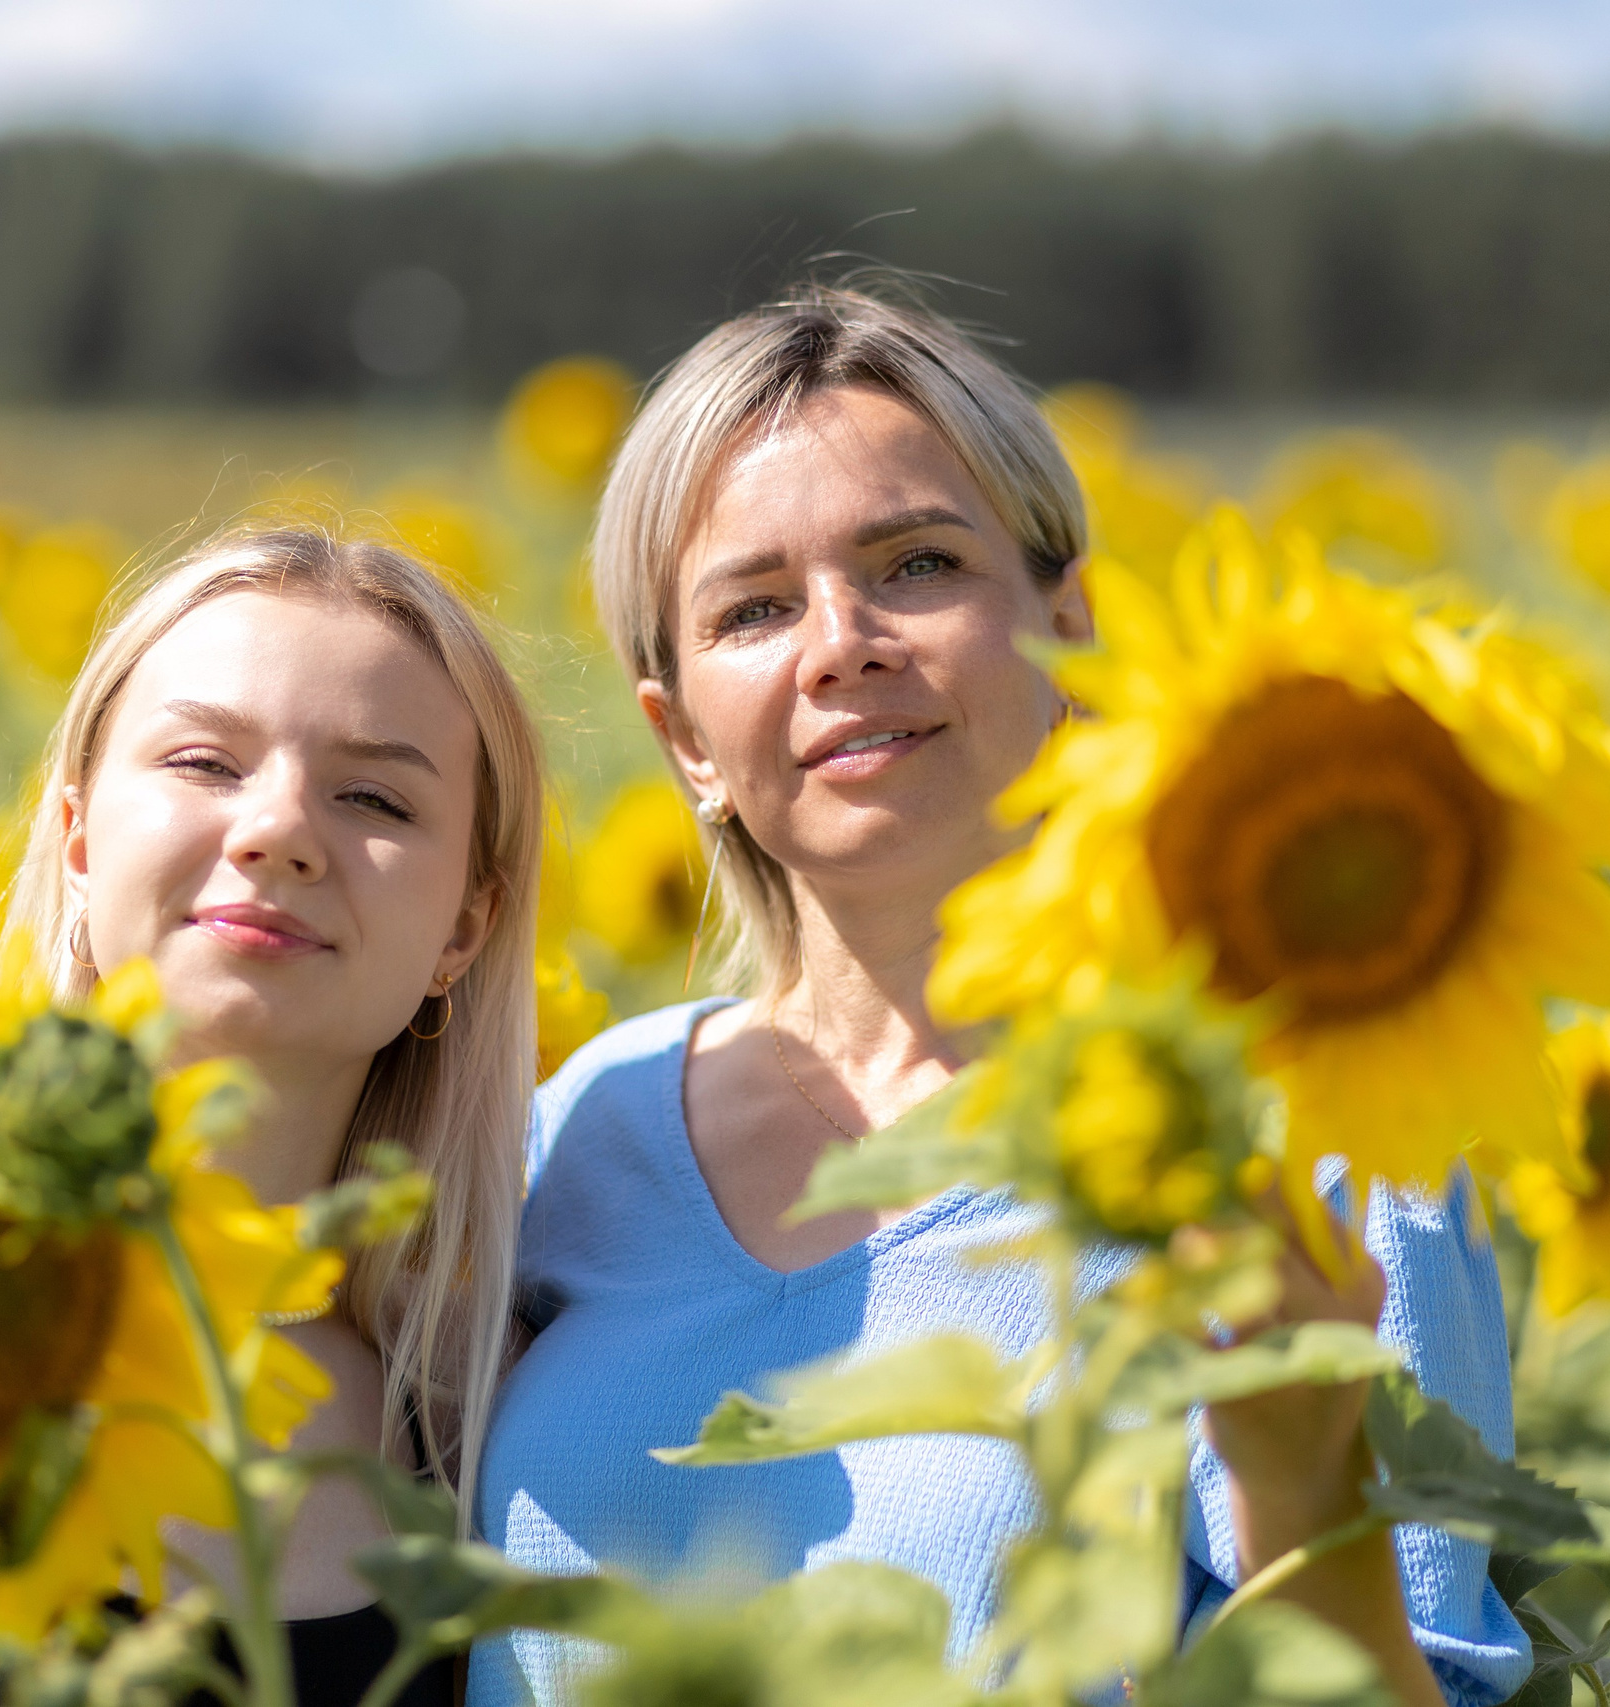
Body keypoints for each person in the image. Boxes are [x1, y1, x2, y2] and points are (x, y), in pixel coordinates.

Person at [471, 288, 1530, 1707]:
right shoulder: (574, 1132)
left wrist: (1300, 1476)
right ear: (686, 744)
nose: (841, 640)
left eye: (914, 564)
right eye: (756, 606)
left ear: (1067, 620)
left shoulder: (1298, 1133)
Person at [5, 525, 543, 1707]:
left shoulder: (494, 1428)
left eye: (372, 797)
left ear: (465, 927)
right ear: (80, 839)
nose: (279, 831)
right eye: (204, 763)